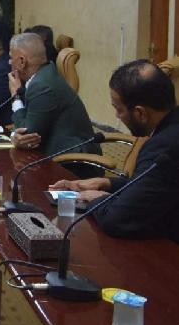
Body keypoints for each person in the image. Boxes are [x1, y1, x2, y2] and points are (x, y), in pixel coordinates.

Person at [50, 60, 179, 242]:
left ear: (140, 113)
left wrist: (95, 198)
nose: (117, 116)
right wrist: (106, 183)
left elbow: (117, 220)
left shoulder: (163, 148)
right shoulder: (171, 130)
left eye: (119, 109)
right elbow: (153, 185)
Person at [8, 33, 101, 172]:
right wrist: (15, 136)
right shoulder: (44, 74)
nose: (9, 62)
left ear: (22, 61)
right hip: (56, 155)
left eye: (11, 58)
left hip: (74, 164)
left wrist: (15, 96)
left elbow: (27, 136)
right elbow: (26, 129)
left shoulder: (41, 85)